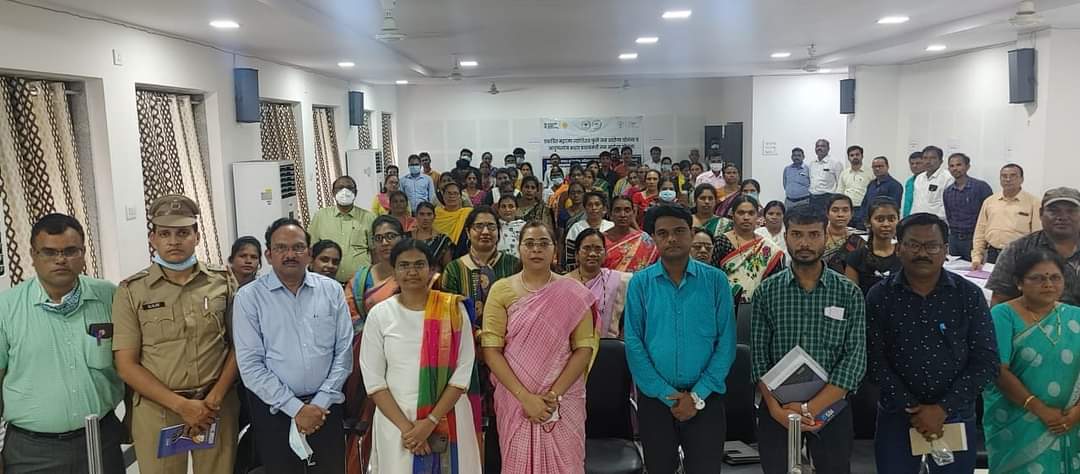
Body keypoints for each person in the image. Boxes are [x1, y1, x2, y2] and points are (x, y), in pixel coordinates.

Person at [113, 195, 240, 473]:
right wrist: (182, 406)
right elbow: (126, 365)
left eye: (183, 233)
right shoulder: (132, 291)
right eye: (165, 234)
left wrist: (215, 398)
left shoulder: (222, 280)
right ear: (153, 239)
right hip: (159, 409)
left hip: (215, 405)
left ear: (197, 236)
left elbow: (239, 345)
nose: (174, 241)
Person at [866, 212, 998, 473]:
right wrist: (916, 409)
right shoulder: (880, 295)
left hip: (955, 414)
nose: (922, 253)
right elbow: (873, 359)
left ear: (946, 250)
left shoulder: (968, 295)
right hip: (898, 416)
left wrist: (942, 409)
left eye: (932, 246)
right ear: (899, 248)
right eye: (913, 245)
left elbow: (986, 361)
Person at [0, 214, 124, 473]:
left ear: (83, 253)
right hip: (31, 451)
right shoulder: (6, 308)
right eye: (49, 252)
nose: (60, 259)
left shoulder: (109, 296)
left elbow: (130, 362)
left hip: (101, 440)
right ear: (33, 255)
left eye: (70, 251)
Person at [751, 204, 867, 474]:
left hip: (831, 406)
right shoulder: (767, 292)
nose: (804, 243)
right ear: (786, 236)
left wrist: (812, 408)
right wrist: (777, 410)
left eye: (813, 234)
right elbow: (759, 358)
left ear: (826, 236)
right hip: (778, 407)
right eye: (797, 234)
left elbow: (855, 358)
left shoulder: (848, 292)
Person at [233, 217, 353, 473]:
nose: (290, 255)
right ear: (268, 255)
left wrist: (319, 404)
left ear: (309, 253)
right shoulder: (249, 298)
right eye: (281, 248)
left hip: (326, 410)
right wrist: (296, 409)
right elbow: (251, 365)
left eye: (298, 247)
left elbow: (344, 353)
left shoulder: (331, 290)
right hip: (276, 412)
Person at [624, 205, 735, 474]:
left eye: (679, 231)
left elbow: (726, 344)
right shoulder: (640, 283)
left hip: (706, 398)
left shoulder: (716, 281)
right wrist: (667, 395)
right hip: (655, 400)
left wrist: (696, 396)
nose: (671, 238)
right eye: (663, 233)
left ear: (691, 234)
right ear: (653, 238)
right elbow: (634, 344)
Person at [480, 221, 598, 473]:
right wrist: (525, 398)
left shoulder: (573, 292)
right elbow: (491, 350)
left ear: (555, 249)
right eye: (530, 244)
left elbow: (584, 349)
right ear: (519, 249)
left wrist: (553, 396)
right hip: (515, 399)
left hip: (563, 398)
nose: (536, 249)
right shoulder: (501, 290)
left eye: (544, 243)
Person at [359, 239, 482, 473]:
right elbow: (374, 381)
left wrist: (430, 422)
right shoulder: (380, 315)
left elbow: (463, 372)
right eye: (404, 265)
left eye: (419, 264)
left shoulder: (454, 311)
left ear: (432, 269)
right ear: (394, 271)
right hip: (397, 423)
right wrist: (409, 430)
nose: (412, 271)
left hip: (449, 416)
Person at [983, 249, 1080, 472]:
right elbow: (999, 370)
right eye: (1037, 278)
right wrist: (1041, 410)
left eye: (1055, 277)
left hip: (1070, 421)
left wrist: (1077, 413)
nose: (1048, 284)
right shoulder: (1003, 315)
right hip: (1017, 421)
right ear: (1019, 282)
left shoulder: (1075, 316)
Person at [987, 187, 1080, 307]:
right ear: (1040, 214)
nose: (1062, 217)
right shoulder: (1018, 249)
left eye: (1071, 211)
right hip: (1031, 318)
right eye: (1053, 211)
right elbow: (1000, 300)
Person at [712, 195, 785, 304]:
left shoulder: (768, 248)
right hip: (723, 303)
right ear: (733, 215)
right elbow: (712, 277)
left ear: (757, 216)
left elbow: (774, 284)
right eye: (741, 213)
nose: (746, 217)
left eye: (751, 213)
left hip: (759, 306)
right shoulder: (721, 242)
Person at [971, 163, 1041, 269]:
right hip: (993, 254)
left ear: (1021, 179)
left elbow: (1037, 236)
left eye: (1013, 176)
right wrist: (977, 257)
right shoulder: (990, 201)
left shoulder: (1033, 202)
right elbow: (980, 231)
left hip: (1019, 255)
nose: (1008, 179)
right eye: (1004, 176)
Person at [309, 175, 376, 283]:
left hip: (361, 283)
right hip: (326, 282)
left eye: (349, 188)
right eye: (340, 188)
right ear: (333, 192)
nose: (345, 191)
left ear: (355, 192)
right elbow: (311, 249)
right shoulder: (321, 216)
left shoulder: (368, 217)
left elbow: (375, 251)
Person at [566, 229, 631, 338]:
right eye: (586, 248)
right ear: (577, 254)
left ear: (605, 254)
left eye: (598, 249)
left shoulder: (619, 280)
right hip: (572, 345)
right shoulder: (564, 283)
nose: (592, 254)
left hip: (607, 344)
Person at [346, 216, 406, 331]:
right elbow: (350, 315)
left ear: (402, 238)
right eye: (378, 238)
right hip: (367, 336)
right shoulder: (361, 278)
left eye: (391, 236)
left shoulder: (412, 274)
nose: (384, 242)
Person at [942, 153, 993, 261]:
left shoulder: (981, 187)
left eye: (959, 165)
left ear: (967, 166)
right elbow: (949, 215)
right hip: (954, 239)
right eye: (951, 166)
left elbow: (990, 215)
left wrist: (983, 241)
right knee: (953, 269)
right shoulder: (948, 191)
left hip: (974, 239)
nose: (955, 168)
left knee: (975, 269)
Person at [845, 198, 901, 294]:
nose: (886, 224)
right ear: (868, 223)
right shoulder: (856, 257)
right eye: (880, 219)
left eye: (891, 219)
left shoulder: (905, 256)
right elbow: (851, 296)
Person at [604, 196, 660, 272]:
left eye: (627, 210)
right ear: (610, 214)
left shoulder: (645, 240)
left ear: (633, 213)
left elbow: (656, 267)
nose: (622, 215)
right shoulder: (601, 240)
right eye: (617, 210)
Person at [565, 191, 614, 271]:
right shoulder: (576, 228)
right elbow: (571, 258)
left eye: (597, 204)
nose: (593, 208)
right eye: (590, 205)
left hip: (610, 272)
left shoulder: (611, 226)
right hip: (583, 273)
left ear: (604, 209)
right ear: (584, 209)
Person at [823, 194, 863, 273]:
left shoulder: (857, 238)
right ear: (827, 213)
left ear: (852, 214)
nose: (840, 215)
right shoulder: (818, 237)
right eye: (835, 210)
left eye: (845, 210)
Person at [409, 202, 454, 272]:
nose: (425, 218)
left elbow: (447, 268)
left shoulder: (443, 240)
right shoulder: (406, 237)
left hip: (434, 277)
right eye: (422, 214)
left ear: (434, 217)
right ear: (416, 216)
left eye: (429, 214)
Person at [911, 146, 953, 219]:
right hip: (917, 221)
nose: (928, 161)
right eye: (925, 158)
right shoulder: (919, 178)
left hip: (937, 222)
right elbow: (915, 203)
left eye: (932, 158)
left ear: (941, 161)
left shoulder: (948, 178)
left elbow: (949, 206)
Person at [859, 156, 903, 225]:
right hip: (868, 222)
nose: (877, 169)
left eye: (880, 166)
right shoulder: (871, 184)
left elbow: (893, 208)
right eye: (874, 167)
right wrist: (863, 219)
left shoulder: (895, 185)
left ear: (887, 167)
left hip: (883, 223)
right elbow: (865, 203)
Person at [838, 145, 872, 229]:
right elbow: (840, 191)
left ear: (862, 156)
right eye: (852, 155)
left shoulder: (870, 173)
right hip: (847, 209)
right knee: (846, 232)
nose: (855, 157)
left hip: (863, 209)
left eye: (857, 154)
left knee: (862, 233)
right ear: (848, 158)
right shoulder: (844, 173)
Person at [433, 182, 472, 250]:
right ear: (443, 195)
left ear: (460, 196)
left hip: (460, 249)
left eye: (455, 193)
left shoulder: (468, 213)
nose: (452, 196)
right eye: (449, 193)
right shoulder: (436, 212)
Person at [808, 139, 844, 211]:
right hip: (812, 198)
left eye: (822, 146)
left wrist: (837, 201)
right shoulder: (812, 163)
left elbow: (840, 183)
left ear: (828, 149)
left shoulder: (835, 163)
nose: (819, 148)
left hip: (827, 198)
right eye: (817, 146)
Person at [556, 183, 587, 250]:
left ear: (584, 194)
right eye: (573, 193)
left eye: (579, 192)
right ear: (569, 195)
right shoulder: (563, 214)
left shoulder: (589, 213)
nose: (576, 195)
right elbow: (560, 240)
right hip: (568, 249)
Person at [497, 194, 526, 259]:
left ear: (517, 209)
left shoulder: (524, 227)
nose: (507, 210)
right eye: (503, 206)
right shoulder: (494, 226)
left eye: (511, 206)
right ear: (498, 209)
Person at [901, 151, 924, 218]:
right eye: (912, 164)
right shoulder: (909, 182)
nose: (914, 166)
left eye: (918, 163)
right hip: (908, 217)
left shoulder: (928, 181)